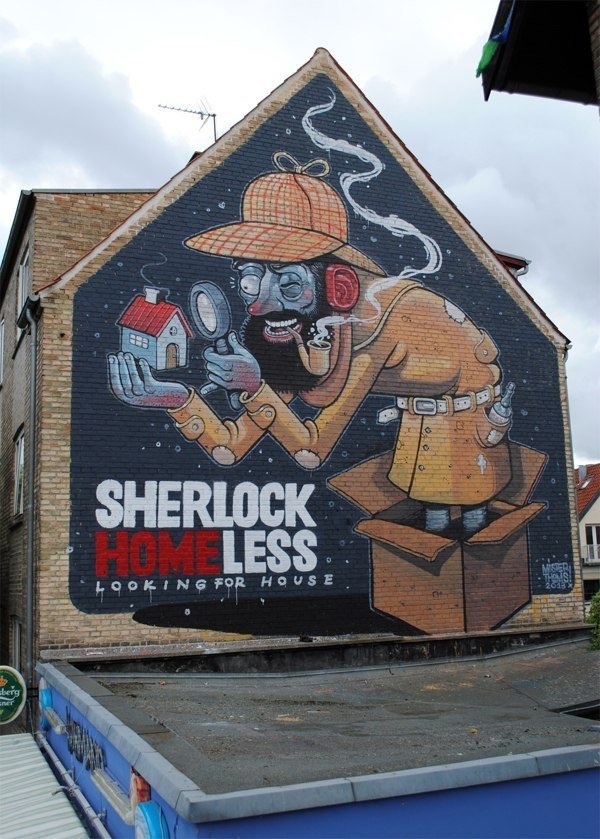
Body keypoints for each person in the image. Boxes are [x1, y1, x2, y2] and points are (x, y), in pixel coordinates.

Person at [109, 157, 513, 534]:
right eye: (251, 279)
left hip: (466, 431)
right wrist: (178, 400)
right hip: (419, 427)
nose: (259, 304)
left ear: (339, 284)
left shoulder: (379, 323)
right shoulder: (302, 334)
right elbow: (230, 449)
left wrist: (254, 387)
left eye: (289, 284)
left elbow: (311, 449)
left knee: (464, 526)